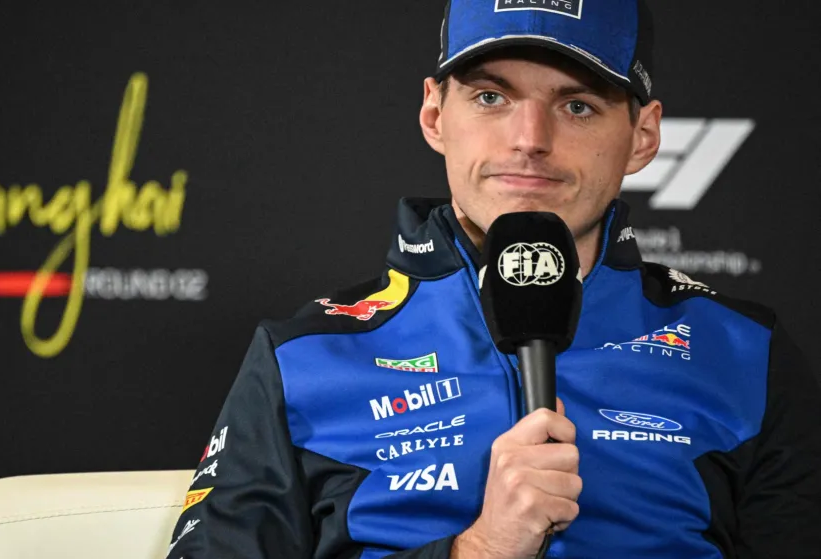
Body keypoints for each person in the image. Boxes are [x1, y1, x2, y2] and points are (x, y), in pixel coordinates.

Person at [166, 1, 821, 557]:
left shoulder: (744, 352)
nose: (529, 138)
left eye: (578, 105)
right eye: (490, 96)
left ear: (644, 135)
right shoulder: (302, 357)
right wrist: (477, 548)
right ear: (434, 115)